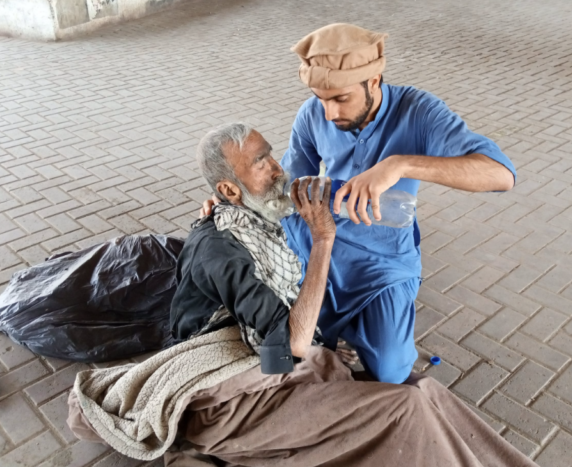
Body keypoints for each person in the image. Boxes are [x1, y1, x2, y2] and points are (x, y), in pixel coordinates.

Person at [67, 123, 538, 467]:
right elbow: (285, 352)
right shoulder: (224, 250)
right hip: (227, 398)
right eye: (260, 163)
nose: (278, 168)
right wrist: (324, 240)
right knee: (403, 408)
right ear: (230, 188)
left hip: (264, 363)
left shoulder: (255, 213)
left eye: (271, 154)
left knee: (422, 392)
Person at [201, 24, 517, 384]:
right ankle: (332, 332)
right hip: (320, 237)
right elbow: (285, 186)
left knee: (390, 369)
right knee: (281, 312)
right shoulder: (312, 114)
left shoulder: (419, 112)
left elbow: (501, 175)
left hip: (383, 258)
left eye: (340, 99)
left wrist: (399, 165)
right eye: (321, 98)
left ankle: (358, 330)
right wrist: (236, 198)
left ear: (374, 81)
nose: (329, 113)